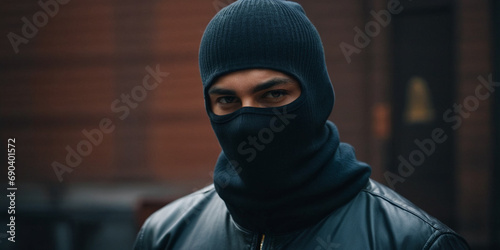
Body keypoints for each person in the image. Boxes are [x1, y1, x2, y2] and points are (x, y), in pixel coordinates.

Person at [134, 0, 470, 249]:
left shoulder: (413, 241)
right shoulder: (166, 235)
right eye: (227, 101)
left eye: (273, 94)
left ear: (317, 97)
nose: (248, 121)